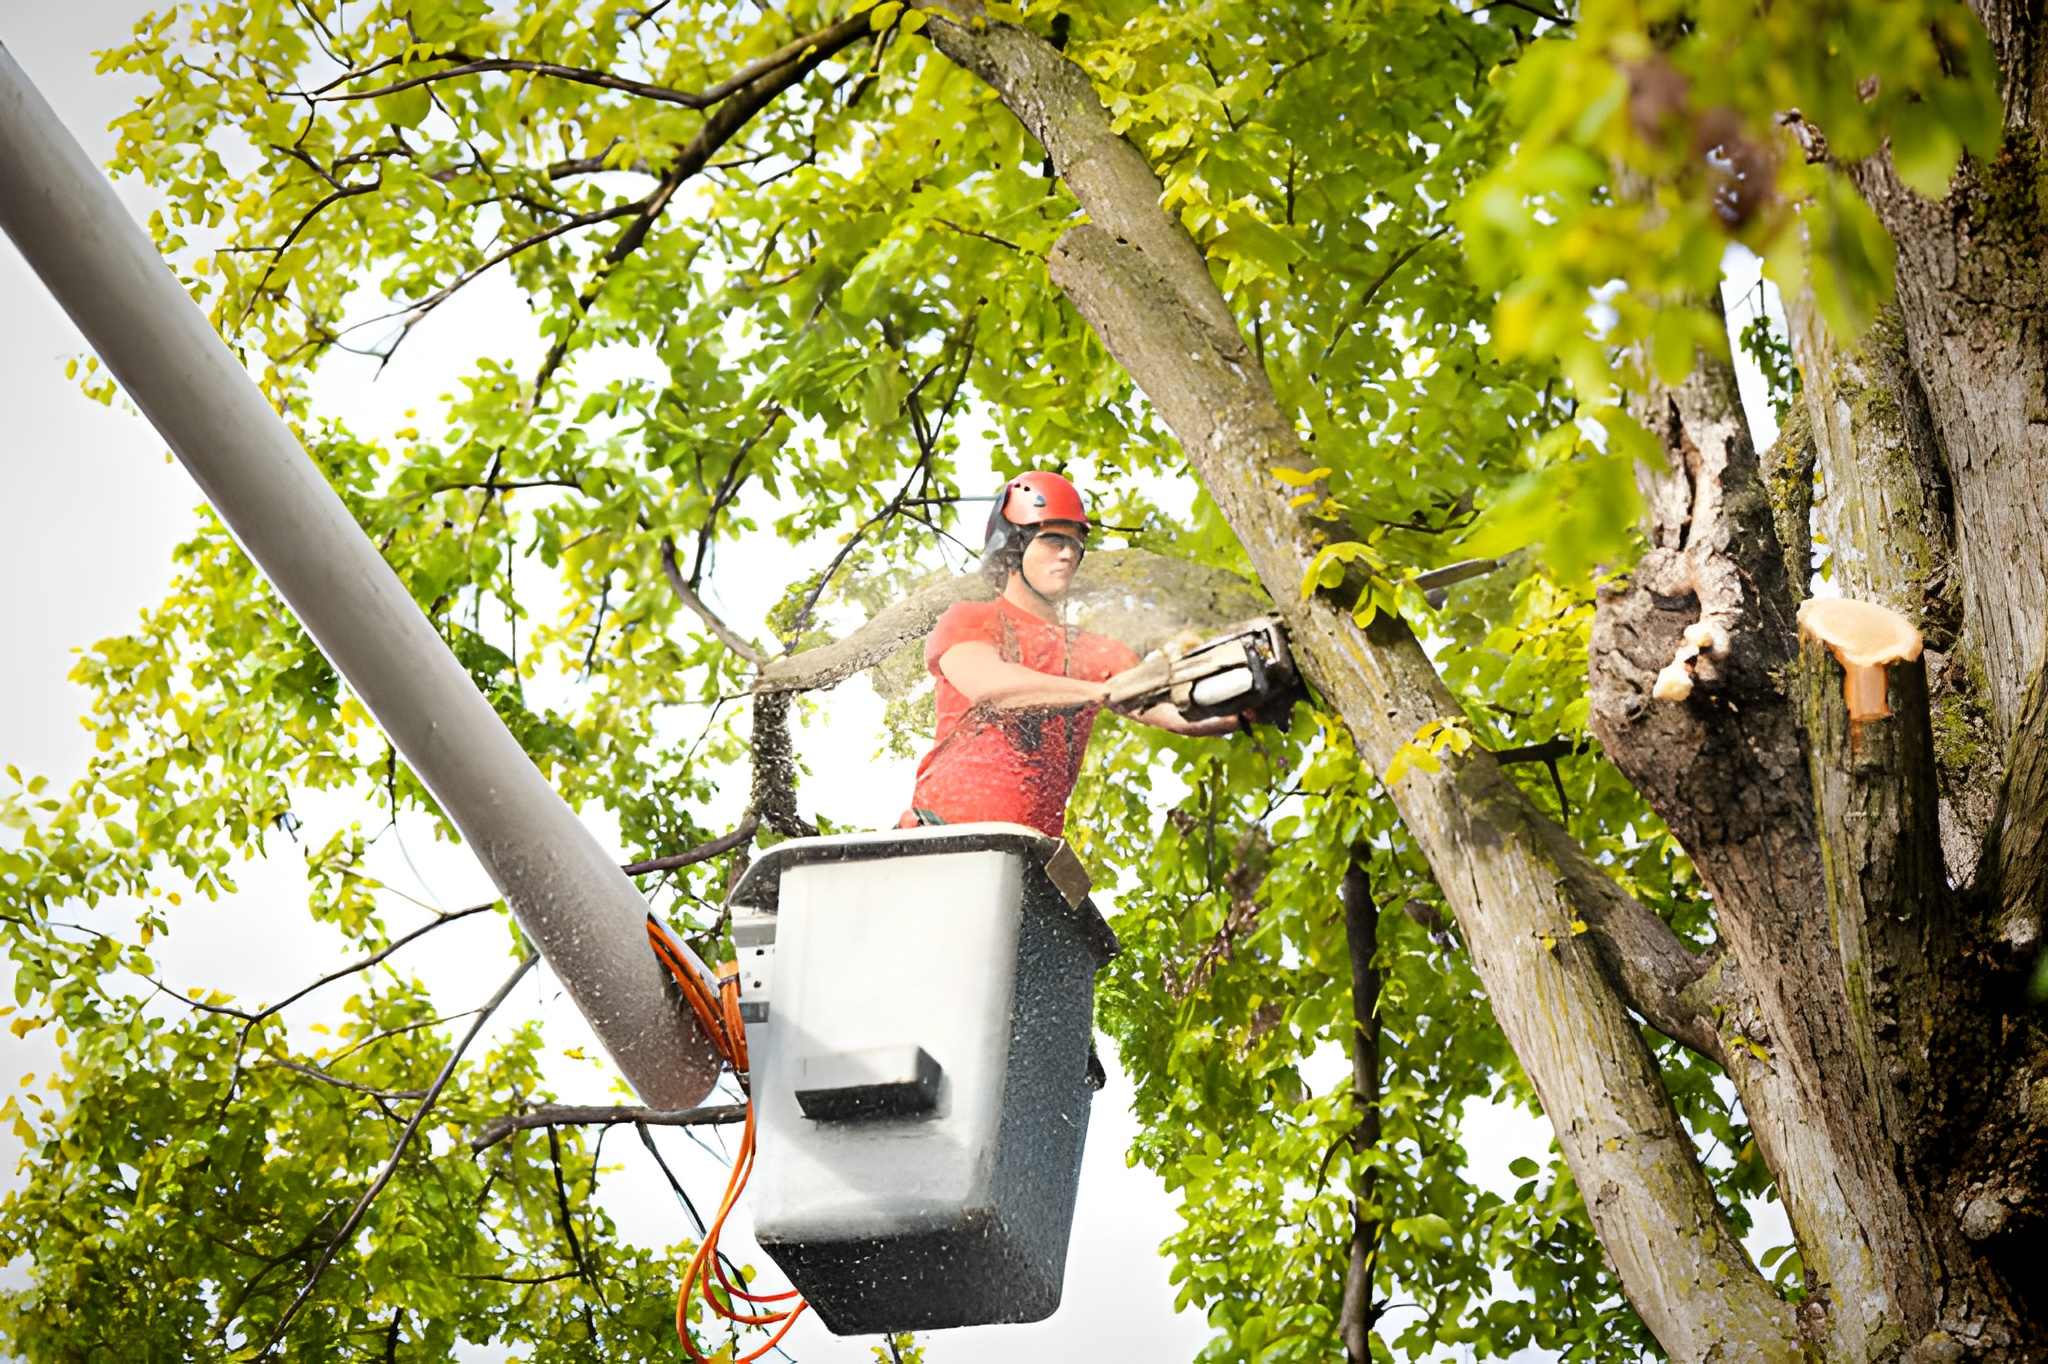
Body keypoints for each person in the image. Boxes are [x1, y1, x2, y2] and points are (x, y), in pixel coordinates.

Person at [897, 471, 1242, 839]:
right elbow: (991, 686)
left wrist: (1243, 704)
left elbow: (1173, 712)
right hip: (940, 840)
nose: (1067, 553)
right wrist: (1097, 692)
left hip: (1031, 854)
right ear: (1014, 546)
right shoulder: (971, 617)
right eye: (1052, 540)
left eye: (1076, 544)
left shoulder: (1095, 651)